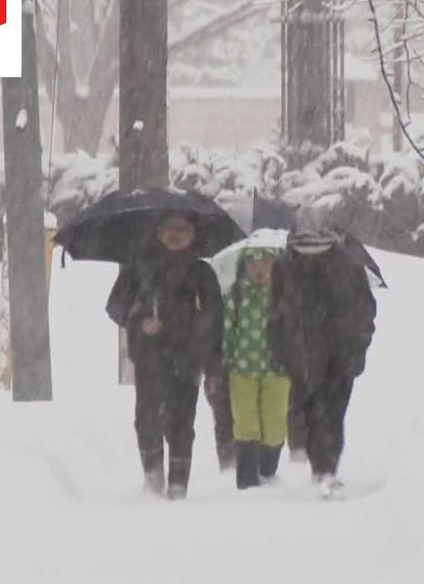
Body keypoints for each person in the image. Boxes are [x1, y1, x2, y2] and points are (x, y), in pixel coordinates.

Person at [106, 211, 223, 500]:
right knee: (147, 418)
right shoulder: (139, 268)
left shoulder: (202, 273)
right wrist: (141, 319)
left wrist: (210, 358)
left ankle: (178, 484)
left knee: (182, 421)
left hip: (188, 357)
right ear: (158, 232)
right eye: (170, 228)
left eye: (183, 228)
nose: (176, 234)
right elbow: (115, 306)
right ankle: (153, 478)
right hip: (149, 356)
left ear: (193, 234)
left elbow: (216, 317)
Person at [269, 211, 377, 500]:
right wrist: (278, 346)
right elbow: (275, 310)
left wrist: (358, 344)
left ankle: (326, 469)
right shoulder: (284, 266)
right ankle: (315, 464)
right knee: (307, 409)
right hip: (300, 351)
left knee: (332, 412)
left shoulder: (348, 266)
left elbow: (364, 309)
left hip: (339, 353)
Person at [222, 247, 290, 489]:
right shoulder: (235, 294)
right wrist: (224, 358)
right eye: (252, 264)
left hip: (277, 370)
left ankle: (268, 471)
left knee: (275, 424)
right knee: (245, 424)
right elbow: (227, 329)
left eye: (266, 263)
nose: (259, 270)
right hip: (242, 370)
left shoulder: (284, 295)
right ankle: (247, 478)